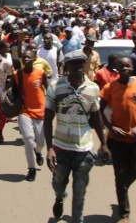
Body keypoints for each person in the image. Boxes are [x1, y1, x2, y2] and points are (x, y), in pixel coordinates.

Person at [46, 51, 110, 222]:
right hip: (61, 148)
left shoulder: (93, 88)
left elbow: (97, 118)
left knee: (80, 193)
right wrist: (50, 148)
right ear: (66, 67)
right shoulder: (55, 87)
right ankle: (60, 198)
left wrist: (104, 143)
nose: (79, 66)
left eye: (82, 63)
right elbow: (47, 119)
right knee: (58, 184)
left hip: (84, 150)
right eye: (74, 63)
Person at [99, 56, 136, 223]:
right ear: (116, 68)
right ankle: (124, 213)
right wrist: (111, 128)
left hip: (135, 138)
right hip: (116, 140)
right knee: (120, 175)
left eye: (128, 66)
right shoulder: (109, 88)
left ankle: (123, 189)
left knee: (134, 172)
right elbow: (99, 112)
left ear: (132, 68)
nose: (126, 69)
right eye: (122, 66)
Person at [16, 48, 49, 182]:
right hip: (24, 111)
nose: (26, 59)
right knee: (29, 140)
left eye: (29, 57)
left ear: (34, 59)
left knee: (41, 142)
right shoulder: (17, 74)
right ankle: (31, 168)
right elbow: (10, 90)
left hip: (40, 111)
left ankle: (38, 151)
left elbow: (49, 89)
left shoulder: (41, 73)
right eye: (24, 57)